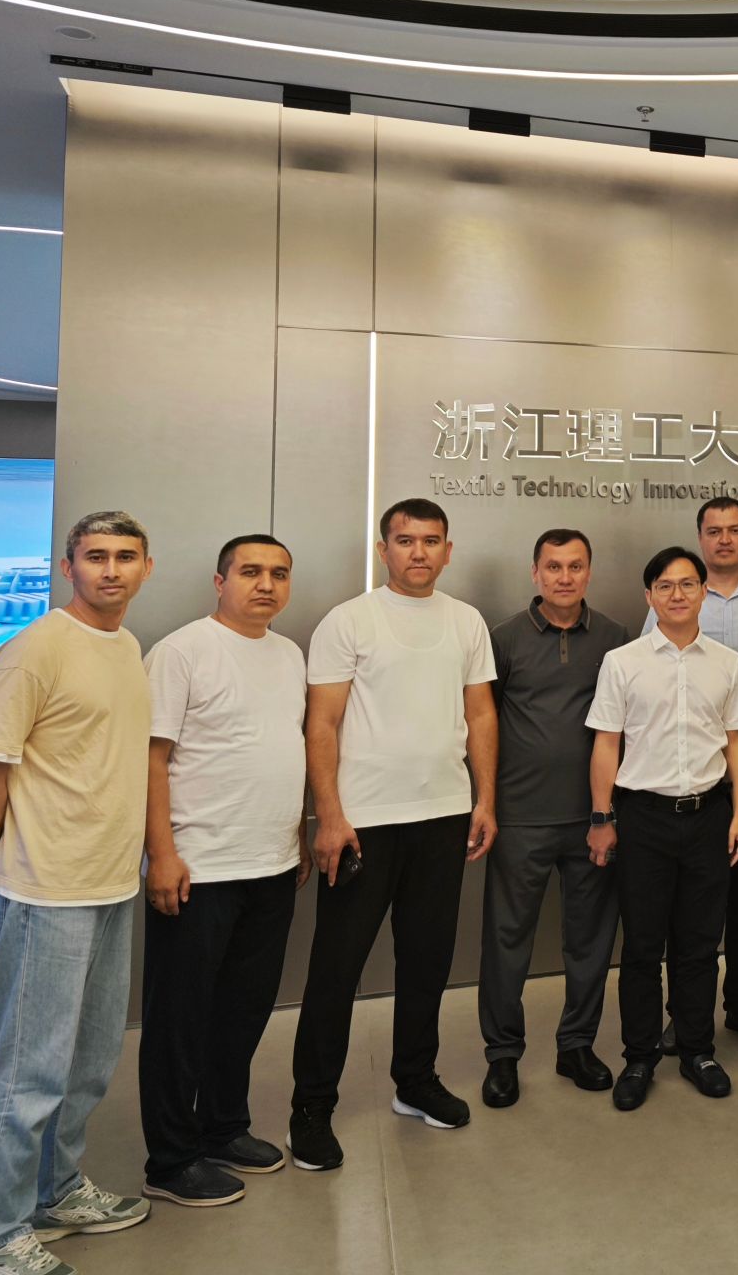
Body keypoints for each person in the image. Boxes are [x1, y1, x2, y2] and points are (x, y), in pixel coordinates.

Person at [0, 511, 155, 1275]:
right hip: (45, 890)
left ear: (146, 568)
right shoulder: (35, 650)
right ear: (68, 566)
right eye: (95, 556)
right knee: (27, 1073)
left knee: (88, 1060)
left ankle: (59, 1191)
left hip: (109, 883)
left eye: (125, 556)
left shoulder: (126, 646)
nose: (111, 569)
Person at [287, 499, 498, 1172]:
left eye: (431, 541)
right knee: (336, 969)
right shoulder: (349, 620)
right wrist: (329, 816)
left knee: (428, 960)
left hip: (443, 816)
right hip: (365, 824)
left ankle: (415, 1080)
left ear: (448, 550)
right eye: (405, 540)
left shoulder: (465, 621)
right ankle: (311, 1107)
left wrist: (484, 799)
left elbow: (480, 714)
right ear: (383, 549)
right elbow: (322, 724)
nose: (419, 552)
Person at [138, 534, 307, 1210]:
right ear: (219, 581)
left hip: (272, 862)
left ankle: (223, 1128)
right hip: (198, 866)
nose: (265, 584)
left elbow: (279, 746)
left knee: (243, 1009)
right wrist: (162, 853)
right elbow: (151, 760)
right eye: (250, 572)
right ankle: (171, 1159)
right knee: (179, 1020)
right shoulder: (180, 652)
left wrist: (295, 833)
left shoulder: (289, 654)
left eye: (278, 574)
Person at [586, 547, 738, 1111]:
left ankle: (697, 1049)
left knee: (700, 944)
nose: (677, 594)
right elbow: (606, 743)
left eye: (687, 584)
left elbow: (737, 740)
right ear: (649, 596)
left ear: (704, 591)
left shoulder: (727, 662)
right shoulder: (623, 662)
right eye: (664, 585)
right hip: (643, 819)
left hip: (708, 817)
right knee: (642, 946)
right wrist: (602, 817)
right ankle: (639, 1056)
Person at [478, 529, 632, 1109]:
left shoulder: (616, 639)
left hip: (594, 819)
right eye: (553, 567)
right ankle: (502, 1056)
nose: (564, 577)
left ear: (589, 572)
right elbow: (483, 723)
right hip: (519, 818)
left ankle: (576, 1046)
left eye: (575, 566)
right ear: (535, 573)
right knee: (506, 940)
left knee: (590, 940)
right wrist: (487, 803)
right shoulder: (504, 639)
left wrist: (607, 812)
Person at [645, 496, 738, 1048]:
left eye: (734, 529)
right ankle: (684, 1013)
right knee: (686, 911)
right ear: (700, 537)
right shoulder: (670, 597)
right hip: (689, 778)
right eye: (714, 530)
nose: (724, 539)